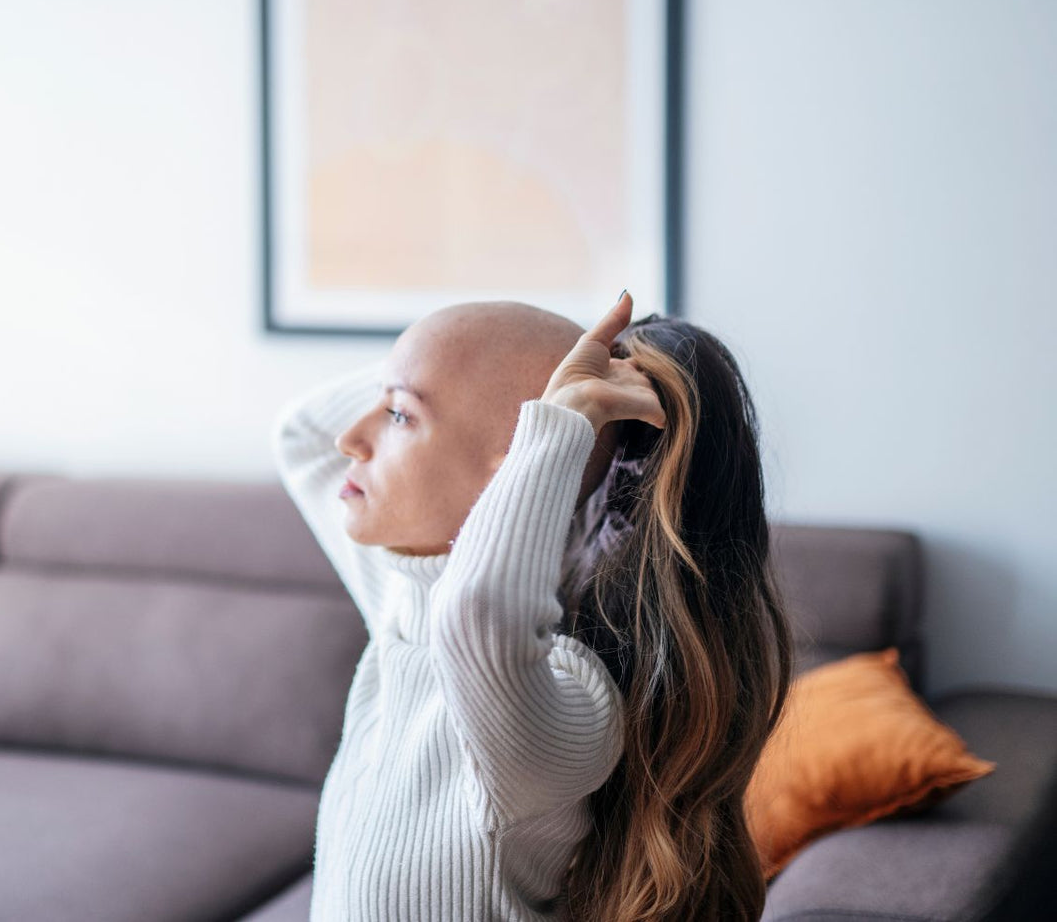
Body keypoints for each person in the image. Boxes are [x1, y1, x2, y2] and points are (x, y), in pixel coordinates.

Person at [270, 290, 795, 921]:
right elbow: (300, 432)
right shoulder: (400, 597)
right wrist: (427, 365)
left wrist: (555, 427)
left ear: (515, 470)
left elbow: (475, 616)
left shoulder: (567, 698)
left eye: (400, 416)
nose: (351, 438)